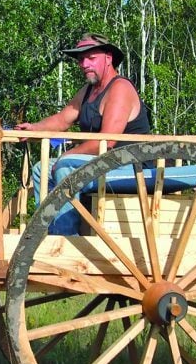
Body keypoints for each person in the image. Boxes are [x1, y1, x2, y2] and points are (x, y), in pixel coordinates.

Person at [15, 33, 151, 235]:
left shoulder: (120, 88)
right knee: (40, 169)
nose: (84, 63)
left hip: (130, 166)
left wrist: (66, 156)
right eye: (81, 59)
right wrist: (34, 128)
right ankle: (49, 233)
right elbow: (62, 119)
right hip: (105, 163)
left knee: (65, 166)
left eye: (91, 58)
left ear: (108, 57)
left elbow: (107, 141)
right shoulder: (89, 91)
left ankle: (67, 239)